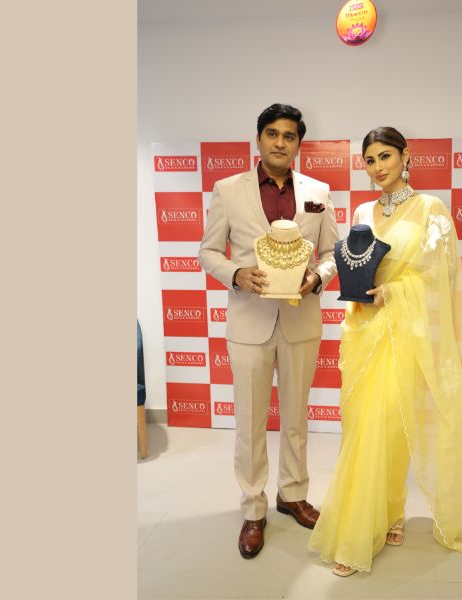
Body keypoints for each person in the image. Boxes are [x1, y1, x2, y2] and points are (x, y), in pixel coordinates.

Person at [308, 127, 462, 576]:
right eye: (369, 160)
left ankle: (361, 533)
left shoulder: (430, 208)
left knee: (387, 424)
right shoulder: (363, 210)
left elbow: (441, 276)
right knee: (362, 425)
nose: (377, 167)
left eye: (385, 156)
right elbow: (356, 265)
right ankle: (390, 512)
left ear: (406, 156)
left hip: (405, 333)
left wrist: (395, 291)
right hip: (364, 331)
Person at [198, 103, 339, 559]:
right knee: (250, 422)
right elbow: (207, 252)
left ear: (299, 143)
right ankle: (253, 508)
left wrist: (318, 277)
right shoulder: (227, 190)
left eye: (289, 136)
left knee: (296, 418)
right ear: (259, 138)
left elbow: (332, 253)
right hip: (248, 322)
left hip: (301, 320)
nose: (281, 142)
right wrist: (237, 274)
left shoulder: (318, 191)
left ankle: (292, 495)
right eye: (272, 134)